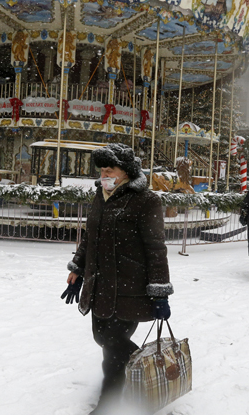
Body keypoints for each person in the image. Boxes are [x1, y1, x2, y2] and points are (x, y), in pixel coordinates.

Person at [60, 143, 173, 415]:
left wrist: (159, 292)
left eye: (111, 168)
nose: (105, 173)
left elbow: (156, 248)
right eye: (102, 169)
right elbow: (91, 235)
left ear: (127, 171)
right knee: (103, 339)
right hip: (99, 285)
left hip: (129, 287)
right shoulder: (101, 196)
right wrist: (78, 267)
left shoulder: (146, 200)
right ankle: (140, 367)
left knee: (113, 347)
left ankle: (107, 404)